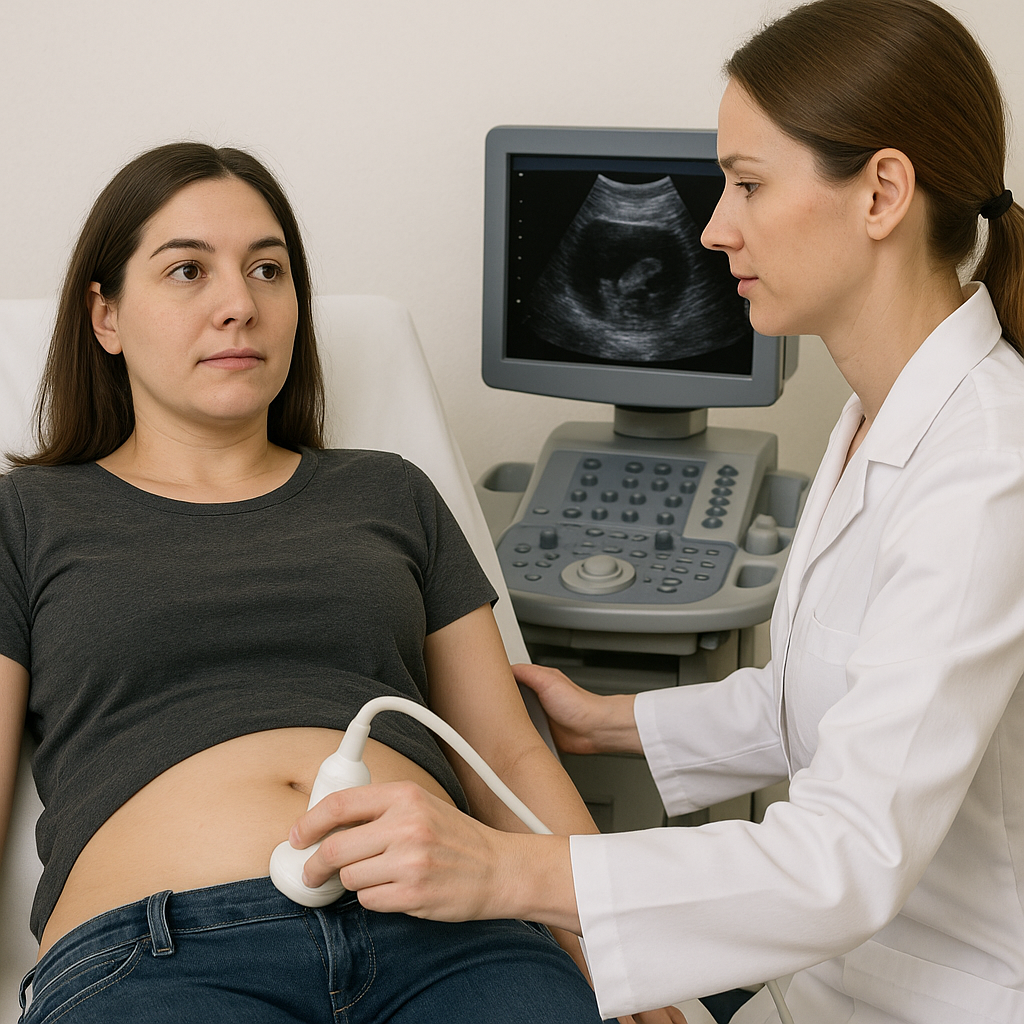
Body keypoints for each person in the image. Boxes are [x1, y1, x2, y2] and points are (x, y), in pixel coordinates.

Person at [287, 1, 1024, 1021]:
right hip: (834, 980)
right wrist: (612, 720)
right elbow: (825, 703)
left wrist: (506, 870)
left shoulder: (989, 465)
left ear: (882, 193)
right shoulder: (875, 417)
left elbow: (850, 854)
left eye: (749, 184)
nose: (715, 226)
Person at [0, 141, 624, 1024]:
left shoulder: (389, 491)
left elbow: (510, 756)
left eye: (268, 269)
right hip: (160, 954)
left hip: (455, 936)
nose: (238, 306)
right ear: (105, 316)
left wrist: (618, 942)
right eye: (187, 270)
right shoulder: (27, 515)